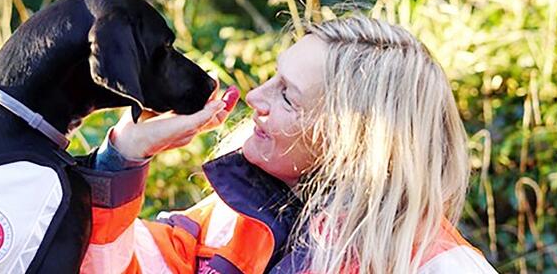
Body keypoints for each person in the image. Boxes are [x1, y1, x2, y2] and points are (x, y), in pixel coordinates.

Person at [79, 16, 498, 273]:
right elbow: (103, 265)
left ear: (354, 141)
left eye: (287, 95)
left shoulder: (435, 265)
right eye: (272, 77)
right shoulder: (226, 223)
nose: (256, 97)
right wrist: (125, 155)